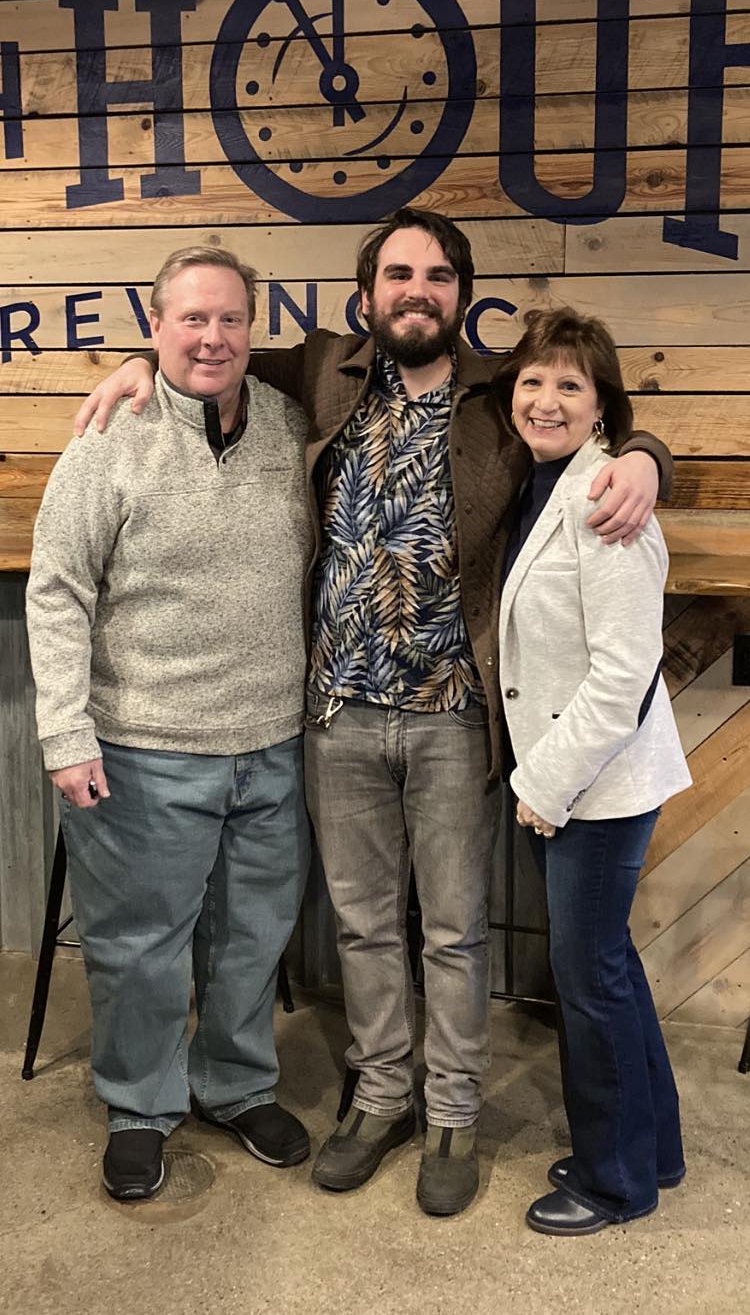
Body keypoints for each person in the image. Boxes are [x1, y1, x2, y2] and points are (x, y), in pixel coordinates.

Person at [73, 209, 673, 1217]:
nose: (417, 291)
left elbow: (596, 419)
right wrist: (139, 362)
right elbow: (205, 353)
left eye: (438, 275)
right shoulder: (323, 369)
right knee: (361, 928)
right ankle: (382, 1096)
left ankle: (453, 1113)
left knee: (454, 932)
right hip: (337, 713)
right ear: (367, 295)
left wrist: (648, 454)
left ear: (461, 295)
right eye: (399, 273)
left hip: (453, 715)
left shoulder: (502, 392)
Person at [26, 247, 313, 1202]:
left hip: (270, 744)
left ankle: (236, 1085)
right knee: (140, 948)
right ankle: (140, 1105)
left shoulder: (289, 424)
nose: (212, 337)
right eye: (192, 319)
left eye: (230, 319)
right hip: (144, 749)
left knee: (251, 938)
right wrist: (65, 734)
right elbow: (57, 590)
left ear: (252, 330)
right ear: (155, 328)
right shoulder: (112, 434)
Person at [493, 307, 691, 1236]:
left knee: (589, 980)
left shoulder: (608, 501)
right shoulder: (539, 485)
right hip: (575, 779)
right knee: (607, 964)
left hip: (594, 788)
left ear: (602, 403)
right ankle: (655, 1150)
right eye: (533, 380)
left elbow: (622, 677)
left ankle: (615, 1183)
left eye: (569, 384)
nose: (546, 398)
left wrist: (544, 785)